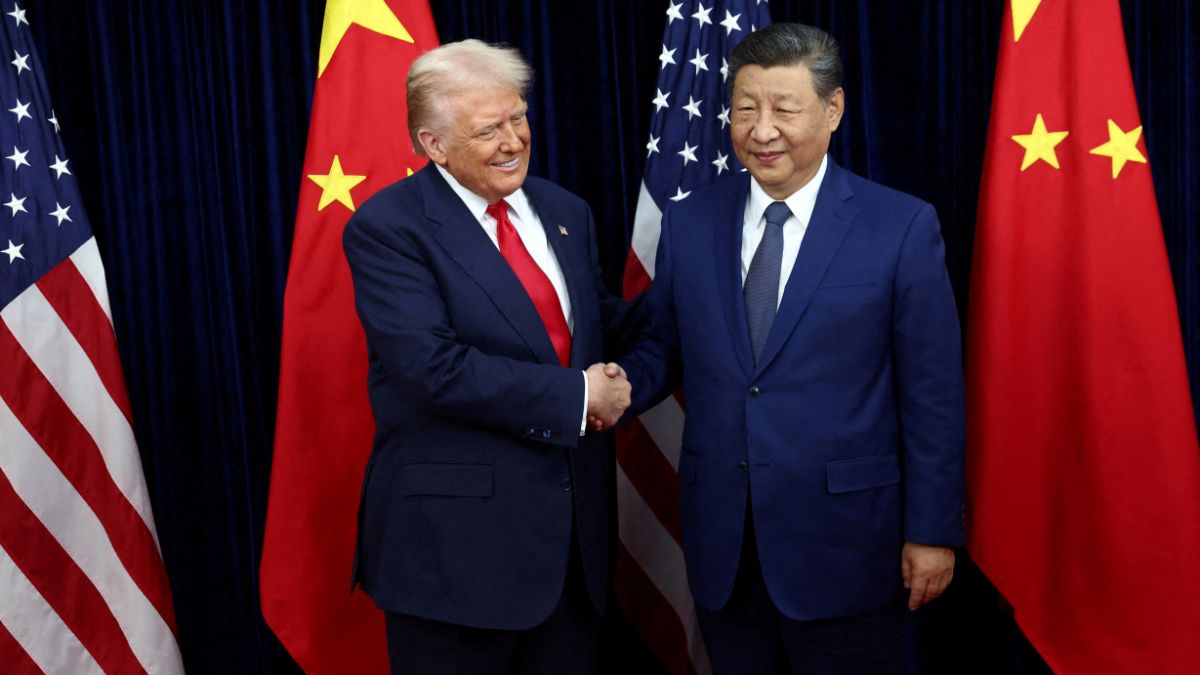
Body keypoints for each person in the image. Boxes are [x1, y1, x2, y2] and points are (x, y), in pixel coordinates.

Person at [616, 23, 965, 674]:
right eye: (745, 108)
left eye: (784, 108)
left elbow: (934, 396)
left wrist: (933, 530)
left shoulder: (900, 226)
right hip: (726, 546)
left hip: (849, 547)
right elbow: (665, 344)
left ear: (832, 111)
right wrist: (613, 388)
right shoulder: (690, 222)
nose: (761, 129)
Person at [342, 39, 640, 675]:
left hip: (570, 549)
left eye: (519, 117)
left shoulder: (566, 211)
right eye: (488, 130)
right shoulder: (389, 228)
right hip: (457, 557)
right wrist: (581, 398)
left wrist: (694, 305)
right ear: (434, 145)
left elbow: (593, 327)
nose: (513, 141)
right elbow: (430, 369)